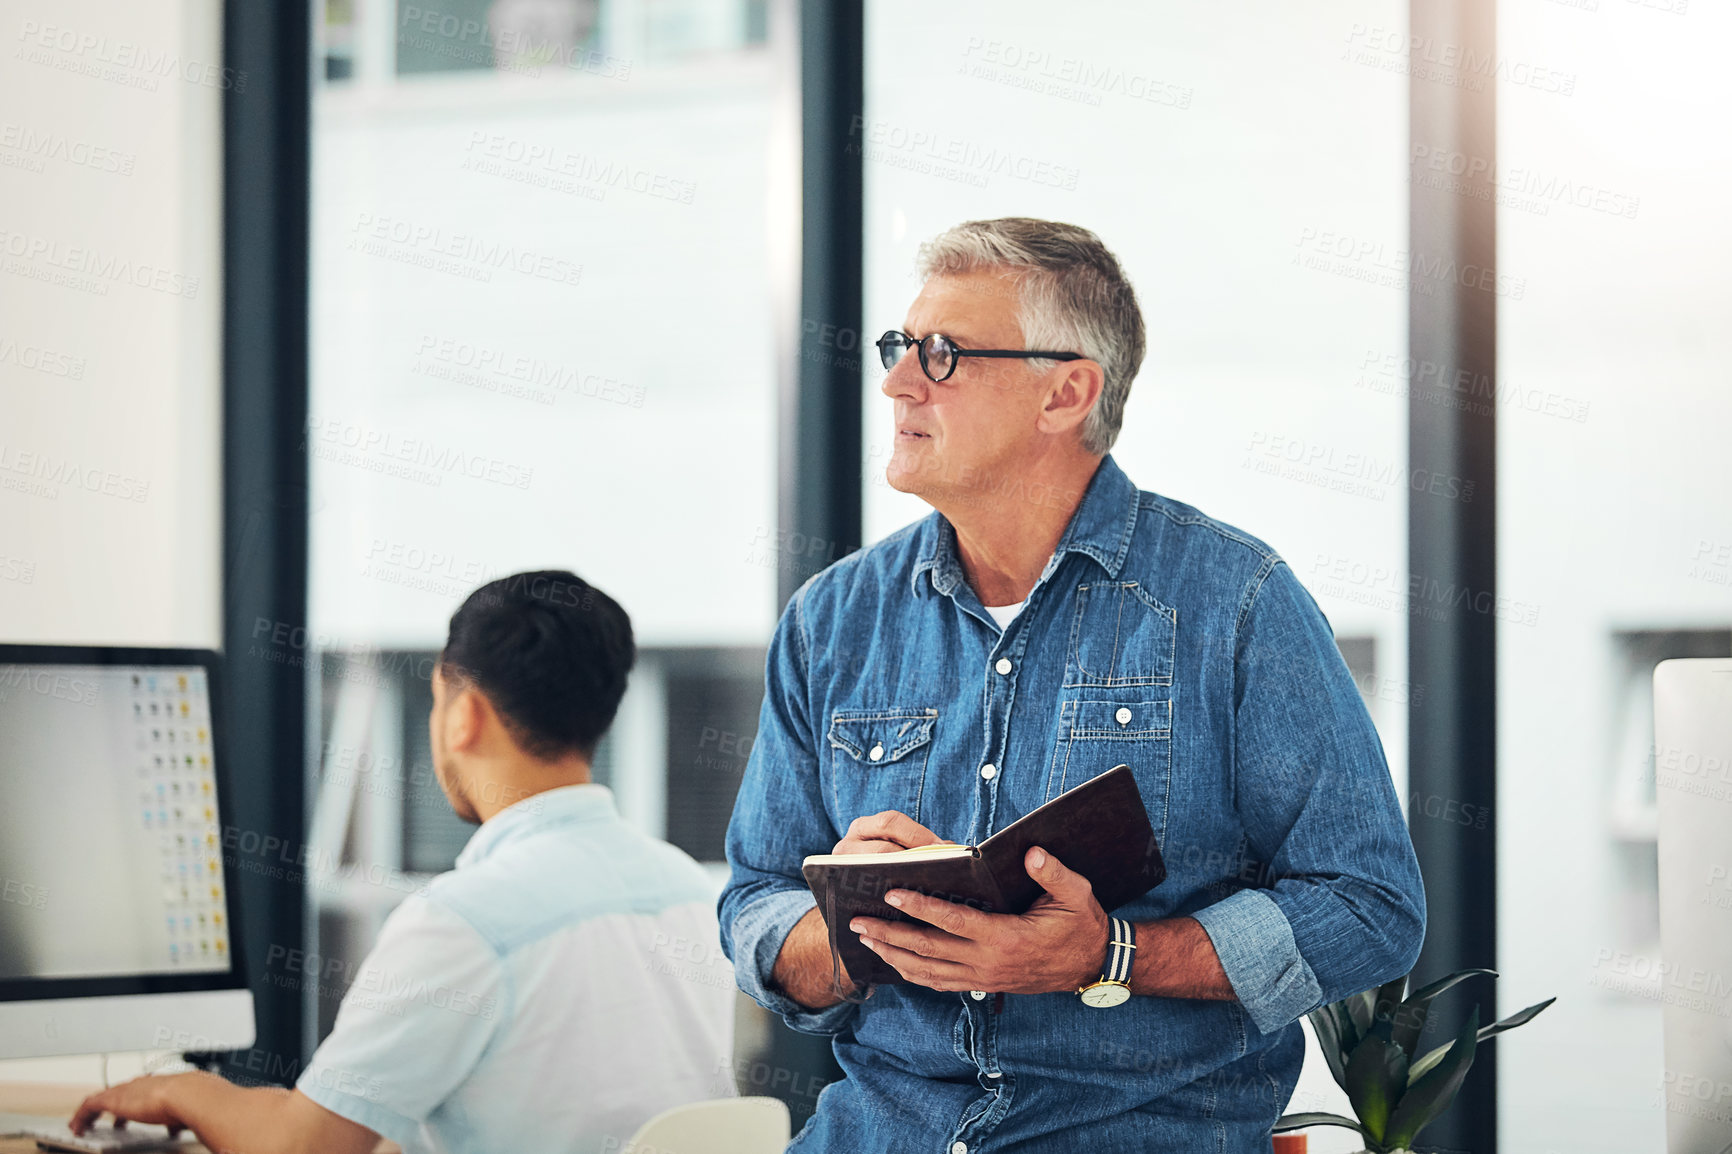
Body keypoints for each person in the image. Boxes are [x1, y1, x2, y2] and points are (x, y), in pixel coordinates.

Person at [719, 218, 1426, 1151]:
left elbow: (1368, 907)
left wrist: (1109, 956)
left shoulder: (1236, 603)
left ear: (1066, 392)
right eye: (901, 348)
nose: (894, 382)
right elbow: (756, 904)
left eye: (941, 355)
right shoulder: (831, 619)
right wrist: (862, 927)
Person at [74, 570, 736, 1154]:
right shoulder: (683, 885)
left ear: (462, 714)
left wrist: (186, 1090)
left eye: (436, 697)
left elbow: (303, 1148)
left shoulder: (465, 921)